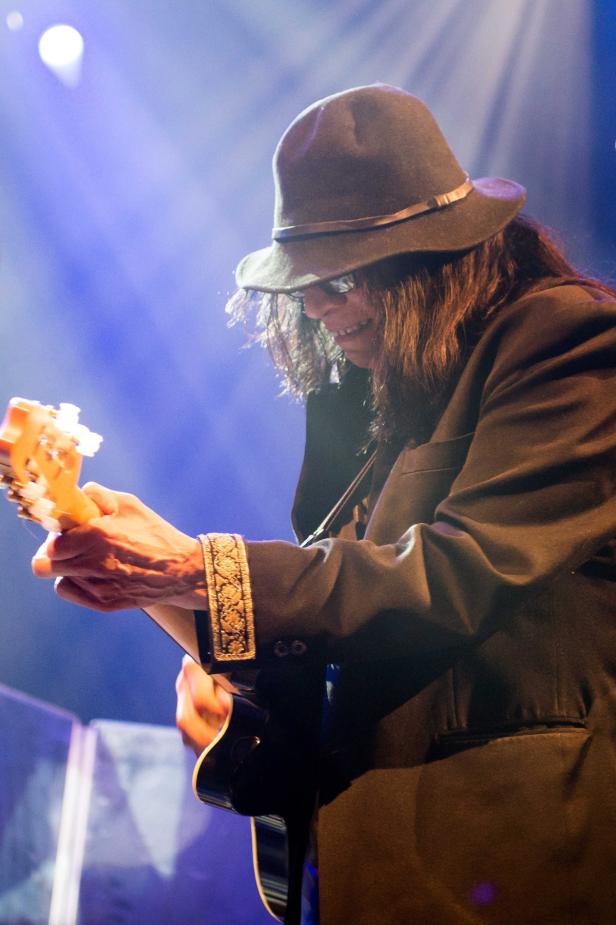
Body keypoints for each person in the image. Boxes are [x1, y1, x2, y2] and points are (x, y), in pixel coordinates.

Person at [32, 85, 616, 925]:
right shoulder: (395, 411)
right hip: (371, 878)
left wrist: (201, 568)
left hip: (513, 868)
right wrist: (159, 584)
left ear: (434, 258)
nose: (313, 306)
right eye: (301, 284)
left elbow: (449, 577)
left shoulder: (566, 343)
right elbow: (345, 626)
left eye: (337, 277)